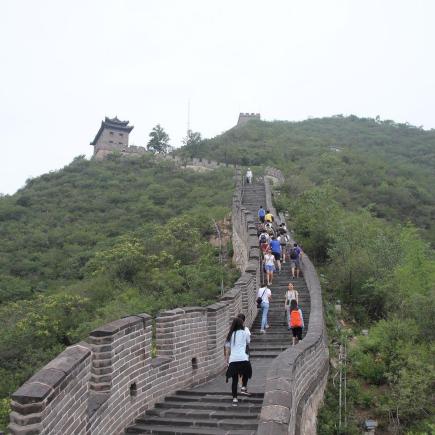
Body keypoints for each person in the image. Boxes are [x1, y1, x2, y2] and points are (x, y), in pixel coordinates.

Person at [225, 317, 252, 406]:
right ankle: (244, 386)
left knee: (234, 380)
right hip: (243, 358)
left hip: (233, 359)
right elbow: (248, 342)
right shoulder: (244, 333)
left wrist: (227, 361)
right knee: (247, 372)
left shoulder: (230, 335)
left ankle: (235, 399)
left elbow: (227, 350)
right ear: (241, 324)